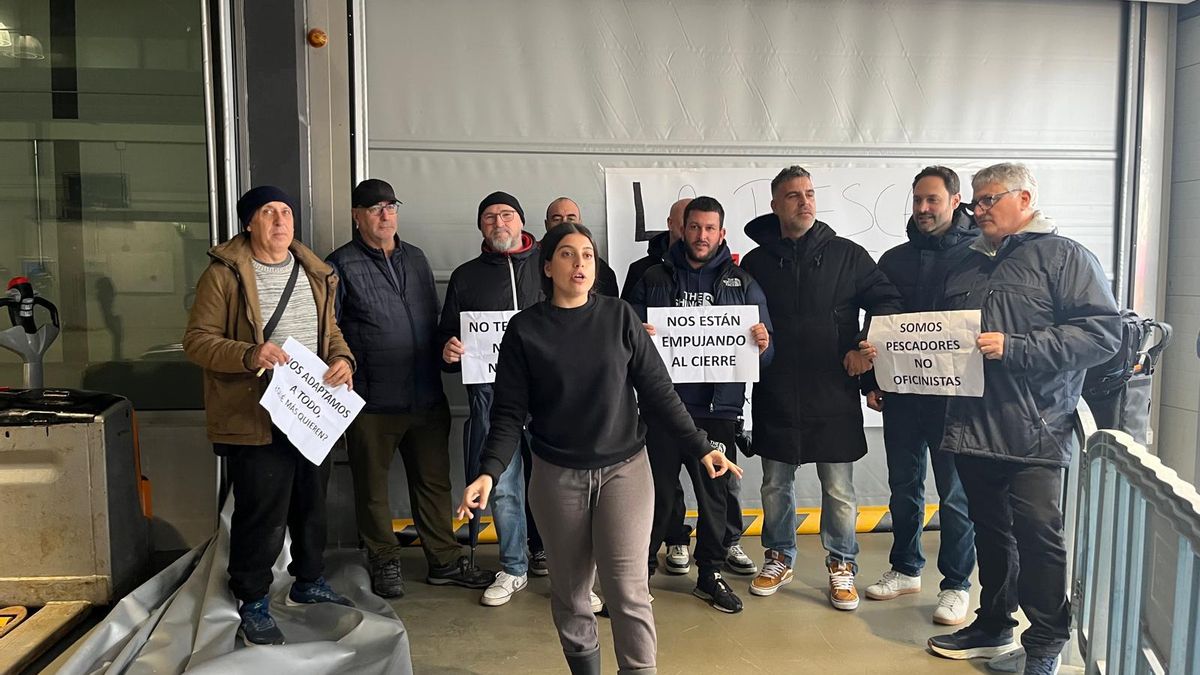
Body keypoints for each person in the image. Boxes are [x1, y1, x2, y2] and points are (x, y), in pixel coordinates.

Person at [457, 223, 741, 675]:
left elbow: (658, 392)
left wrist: (700, 444)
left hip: (625, 471)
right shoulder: (524, 330)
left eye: (587, 255)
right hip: (556, 475)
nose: (580, 264)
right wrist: (488, 472)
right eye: (568, 255)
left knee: (628, 590)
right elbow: (508, 413)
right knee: (571, 595)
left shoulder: (620, 317)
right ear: (547, 267)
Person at [925, 163, 1120, 675]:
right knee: (990, 533)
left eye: (989, 200)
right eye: (976, 201)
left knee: (1038, 535)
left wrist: (1017, 347)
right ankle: (993, 623)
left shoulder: (1064, 257)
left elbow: (1102, 335)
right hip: (971, 425)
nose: (979, 210)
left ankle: (1045, 643)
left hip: (1036, 427)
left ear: (1025, 197)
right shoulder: (964, 264)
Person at [183, 185, 355, 646]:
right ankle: (253, 597)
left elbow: (330, 331)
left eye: (286, 211)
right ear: (248, 223)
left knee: (311, 504)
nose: (281, 220)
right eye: (268, 213)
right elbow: (197, 340)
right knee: (261, 511)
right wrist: (248, 353)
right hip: (255, 415)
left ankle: (309, 580)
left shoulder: (314, 271)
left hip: (311, 411)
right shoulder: (223, 276)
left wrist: (344, 361)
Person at [740, 166, 904, 610]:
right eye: (793, 195)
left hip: (833, 390)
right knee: (775, 484)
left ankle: (843, 563)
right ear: (775, 205)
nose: (804, 201)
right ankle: (777, 556)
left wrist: (863, 350)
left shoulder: (848, 256)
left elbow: (887, 302)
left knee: (838, 489)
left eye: (809, 193)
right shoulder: (755, 262)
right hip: (774, 390)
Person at [326, 178, 493, 599]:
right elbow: (328, 330)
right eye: (375, 208)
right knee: (372, 489)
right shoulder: (339, 264)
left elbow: (435, 322)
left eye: (391, 206)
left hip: (425, 394)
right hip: (371, 401)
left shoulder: (416, 259)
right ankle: (384, 561)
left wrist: (447, 351)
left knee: (434, 483)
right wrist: (342, 363)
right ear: (357, 216)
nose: (385, 214)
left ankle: (444, 561)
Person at [628, 195, 774, 613]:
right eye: (695, 227)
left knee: (715, 497)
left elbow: (768, 353)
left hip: (718, 409)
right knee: (654, 495)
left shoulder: (742, 282)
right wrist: (637, 332)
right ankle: (639, 576)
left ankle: (709, 574)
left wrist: (762, 345)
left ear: (721, 233)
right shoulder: (653, 277)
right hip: (662, 407)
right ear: (681, 229)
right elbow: (623, 340)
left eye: (710, 228)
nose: (702, 235)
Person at [857, 166, 978, 625]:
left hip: (957, 400)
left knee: (954, 494)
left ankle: (956, 584)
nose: (923, 209)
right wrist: (869, 381)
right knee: (904, 486)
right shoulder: (894, 259)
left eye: (932, 200)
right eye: (917, 200)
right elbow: (873, 327)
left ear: (954, 199)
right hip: (902, 396)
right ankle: (906, 567)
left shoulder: (980, 257)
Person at [440, 191, 541, 607]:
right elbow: (446, 338)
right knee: (503, 488)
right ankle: (514, 567)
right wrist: (448, 352)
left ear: (521, 220)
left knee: (561, 486)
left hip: (554, 400)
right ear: (480, 227)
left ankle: (571, 569)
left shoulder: (550, 263)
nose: (498, 223)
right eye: (488, 218)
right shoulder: (466, 277)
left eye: (506, 215)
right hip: (494, 403)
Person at [621, 197, 696, 577]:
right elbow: (623, 319)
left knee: (707, 477)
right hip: (653, 390)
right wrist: (639, 329)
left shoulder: (725, 272)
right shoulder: (642, 271)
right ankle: (652, 551)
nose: (691, 231)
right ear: (670, 224)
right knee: (659, 477)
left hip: (706, 393)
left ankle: (684, 539)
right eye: (685, 223)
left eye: (700, 223)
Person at [544, 196, 619, 296]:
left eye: (571, 219)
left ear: (580, 223)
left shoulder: (602, 269)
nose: (565, 223)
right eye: (557, 219)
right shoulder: (532, 262)